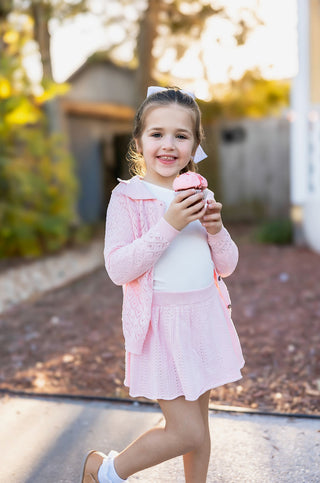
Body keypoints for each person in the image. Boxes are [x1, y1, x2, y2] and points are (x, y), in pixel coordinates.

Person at [80, 86, 245, 483]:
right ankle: (103, 471)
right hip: (161, 326)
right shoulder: (128, 197)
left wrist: (216, 230)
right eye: (157, 134)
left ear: (195, 145)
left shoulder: (199, 194)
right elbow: (119, 268)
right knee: (184, 430)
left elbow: (227, 265)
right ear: (138, 141)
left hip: (204, 317)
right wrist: (169, 224)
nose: (168, 145)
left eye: (181, 135)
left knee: (199, 426)